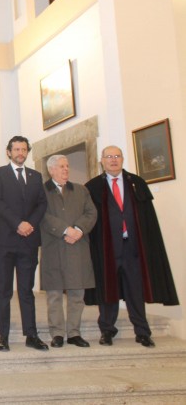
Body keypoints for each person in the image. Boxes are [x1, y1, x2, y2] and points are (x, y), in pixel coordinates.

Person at [84, 146, 179, 347]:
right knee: (108, 291)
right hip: (107, 249)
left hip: (134, 248)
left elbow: (148, 220)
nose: (113, 160)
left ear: (123, 159)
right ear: (102, 161)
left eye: (117, 156)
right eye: (109, 157)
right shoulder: (92, 187)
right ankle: (107, 330)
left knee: (136, 290)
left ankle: (142, 331)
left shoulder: (137, 183)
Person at [0, 135, 48, 351]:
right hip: (4, 240)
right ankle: (3, 336)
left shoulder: (35, 175)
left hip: (29, 240)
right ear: (9, 152)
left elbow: (42, 203)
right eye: (16, 149)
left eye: (24, 149)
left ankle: (31, 334)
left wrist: (29, 224)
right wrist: (18, 224)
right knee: (3, 289)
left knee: (26, 289)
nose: (20, 153)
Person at [40, 155, 97, 348]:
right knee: (54, 293)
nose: (66, 170)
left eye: (67, 166)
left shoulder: (81, 190)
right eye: (61, 166)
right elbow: (42, 215)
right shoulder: (41, 191)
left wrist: (78, 230)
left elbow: (91, 213)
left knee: (76, 293)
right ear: (51, 170)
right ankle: (57, 333)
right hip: (54, 246)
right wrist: (65, 229)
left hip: (76, 247)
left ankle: (74, 333)